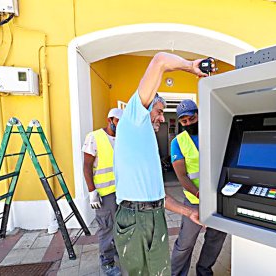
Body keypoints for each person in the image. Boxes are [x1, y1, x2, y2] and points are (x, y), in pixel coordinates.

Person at [113, 52, 211, 276]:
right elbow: (160, 60)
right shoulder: (133, 118)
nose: (162, 118)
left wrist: (188, 212)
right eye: (158, 111)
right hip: (134, 217)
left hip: (153, 215)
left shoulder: (146, 141)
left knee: (160, 272)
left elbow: (157, 195)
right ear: (144, 108)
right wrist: (190, 67)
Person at [170, 100, 227, 276]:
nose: (188, 124)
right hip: (194, 201)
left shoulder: (214, 133)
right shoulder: (178, 142)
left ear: (199, 115)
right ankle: (177, 273)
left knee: (215, 239)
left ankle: (204, 270)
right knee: (185, 242)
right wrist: (199, 194)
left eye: (191, 119)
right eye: (184, 121)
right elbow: (182, 176)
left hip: (218, 199)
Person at [82, 108, 123, 276]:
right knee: (106, 227)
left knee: (121, 226)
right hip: (104, 194)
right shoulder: (95, 137)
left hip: (122, 192)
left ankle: (117, 252)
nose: (120, 126)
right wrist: (92, 191)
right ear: (110, 120)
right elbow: (86, 166)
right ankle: (107, 262)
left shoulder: (123, 138)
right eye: (117, 122)